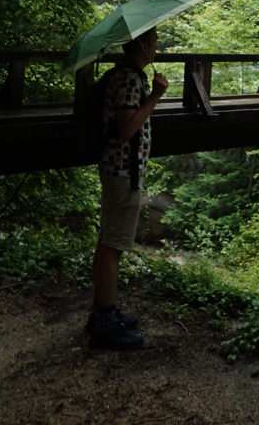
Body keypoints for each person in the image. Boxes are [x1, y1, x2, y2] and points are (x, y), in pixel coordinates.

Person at [87, 26, 169, 350]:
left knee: (107, 242)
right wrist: (156, 96)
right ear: (144, 45)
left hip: (118, 169)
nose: (156, 46)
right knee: (113, 247)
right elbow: (126, 128)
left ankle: (102, 312)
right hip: (122, 171)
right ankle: (105, 326)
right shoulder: (131, 79)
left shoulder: (126, 75)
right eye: (154, 41)